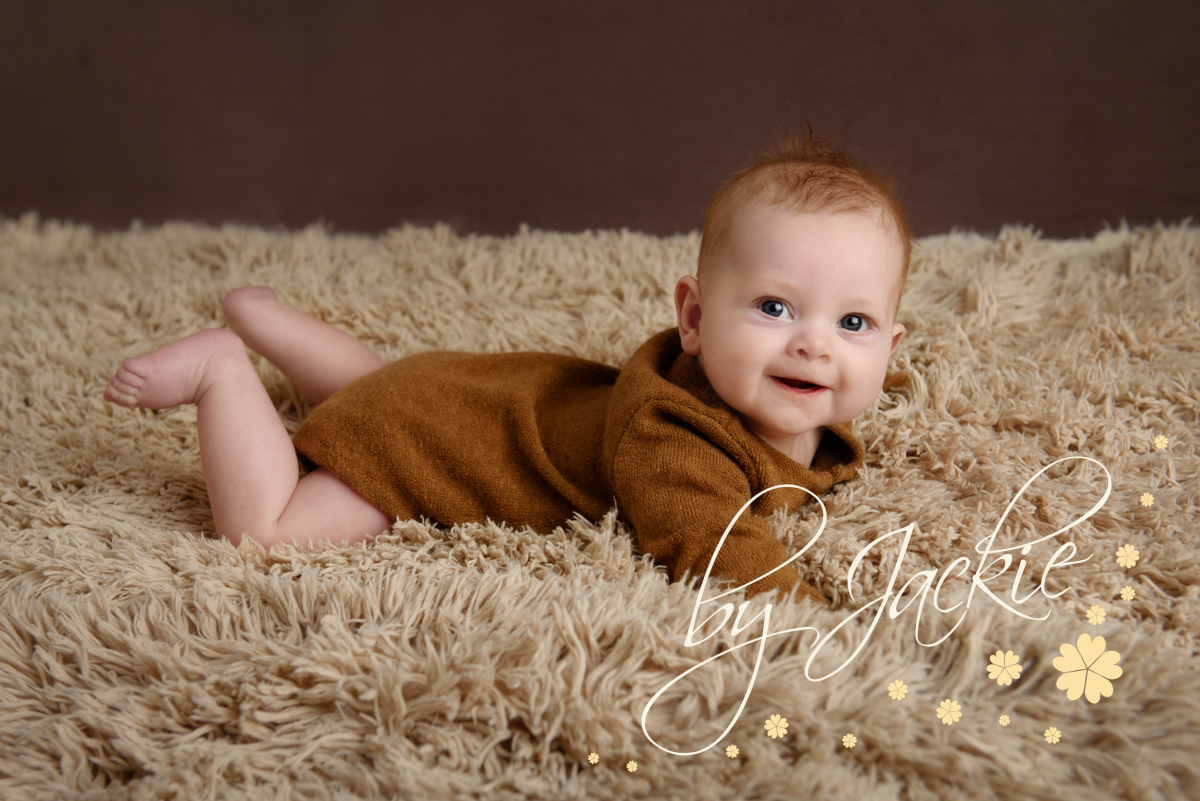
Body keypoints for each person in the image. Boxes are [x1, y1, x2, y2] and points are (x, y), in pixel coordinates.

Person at [103, 128, 908, 601]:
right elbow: (711, 543)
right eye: (774, 307)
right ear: (692, 318)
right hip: (431, 451)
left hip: (454, 391)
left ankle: (268, 317)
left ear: (892, 346)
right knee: (270, 531)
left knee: (382, 388)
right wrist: (805, 613)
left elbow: (791, 464)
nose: (815, 344)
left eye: (854, 322)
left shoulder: (792, 410)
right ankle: (223, 370)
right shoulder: (676, 443)